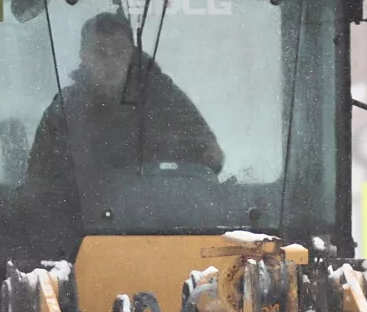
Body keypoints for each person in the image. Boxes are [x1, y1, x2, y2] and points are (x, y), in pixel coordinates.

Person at [26, 11, 223, 184]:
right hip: (87, 222)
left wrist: (201, 157)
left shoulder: (165, 99)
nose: (111, 61)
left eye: (120, 52)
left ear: (132, 54)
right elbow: (39, 184)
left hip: (163, 218)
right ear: (84, 56)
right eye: (100, 53)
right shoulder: (65, 111)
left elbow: (209, 154)